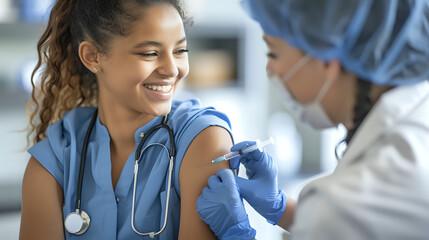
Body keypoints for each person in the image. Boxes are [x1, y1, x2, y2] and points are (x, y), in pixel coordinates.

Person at [197, 0, 429, 239]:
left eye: (273, 52)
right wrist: (280, 207)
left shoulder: (344, 205)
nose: (270, 70)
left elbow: (334, 223)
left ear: (326, 59)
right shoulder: (416, 108)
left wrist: (236, 233)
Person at [20, 0, 234, 239]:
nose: (172, 70)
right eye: (150, 53)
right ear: (92, 57)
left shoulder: (203, 140)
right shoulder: (57, 157)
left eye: (180, 51)